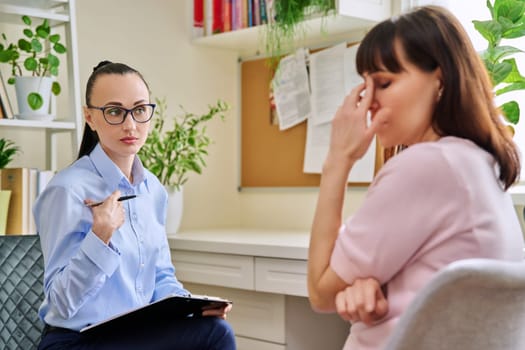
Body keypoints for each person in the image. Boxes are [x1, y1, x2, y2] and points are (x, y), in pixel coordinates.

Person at [307, 5, 524, 350]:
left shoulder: (426, 165)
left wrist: (338, 159)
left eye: (384, 82)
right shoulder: (478, 161)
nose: (368, 102)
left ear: (440, 79)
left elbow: (320, 291)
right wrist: (372, 284)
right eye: (364, 85)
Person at [34, 61, 236, 350]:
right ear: (90, 117)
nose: (130, 125)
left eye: (140, 110)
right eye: (114, 112)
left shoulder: (153, 189)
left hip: (133, 335)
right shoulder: (66, 190)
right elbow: (60, 305)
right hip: (75, 341)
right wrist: (99, 236)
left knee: (212, 326)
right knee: (216, 336)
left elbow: (162, 276)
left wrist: (193, 306)